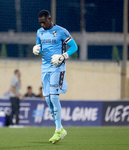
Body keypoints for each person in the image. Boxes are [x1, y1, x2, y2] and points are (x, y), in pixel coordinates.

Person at [33, 10, 78, 144]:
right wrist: (37, 49)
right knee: (47, 100)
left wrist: (63, 56)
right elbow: (40, 46)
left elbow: (74, 47)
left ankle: (58, 130)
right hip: (44, 68)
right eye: (40, 22)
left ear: (50, 19)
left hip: (57, 67)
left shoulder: (61, 31)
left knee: (53, 97)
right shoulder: (39, 32)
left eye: (44, 22)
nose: (42, 25)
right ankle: (60, 128)